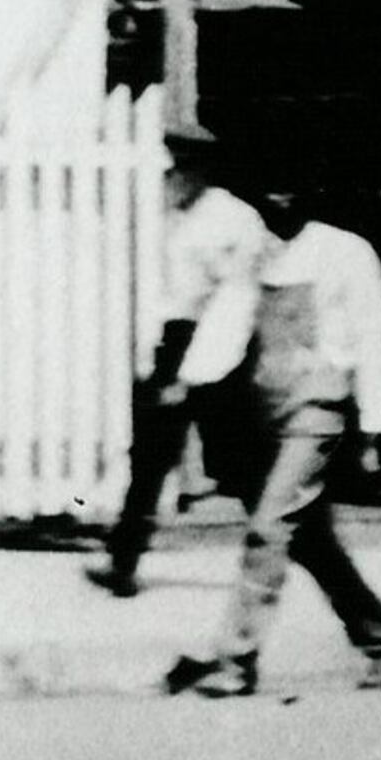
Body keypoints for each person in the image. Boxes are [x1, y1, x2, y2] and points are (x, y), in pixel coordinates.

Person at [159, 154, 381, 698]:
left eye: (290, 189)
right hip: (262, 411)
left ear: (312, 190)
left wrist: (374, 427)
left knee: (268, 529)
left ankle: (236, 658)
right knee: (309, 541)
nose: (279, 201)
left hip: (318, 409)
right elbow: (226, 321)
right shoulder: (254, 256)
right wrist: (189, 378)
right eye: (268, 191)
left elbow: (374, 336)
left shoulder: (345, 252)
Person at [88, 121, 275, 597]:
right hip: (175, 342)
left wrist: (188, 377)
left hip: (220, 347)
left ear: (202, 170)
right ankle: (123, 562)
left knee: (241, 463)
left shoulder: (235, 219)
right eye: (169, 172)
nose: (173, 181)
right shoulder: (171, 217)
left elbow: (231, 303)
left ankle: (280, 549)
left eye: (181, 170)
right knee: (149, 459)